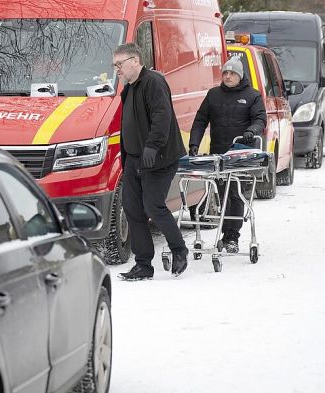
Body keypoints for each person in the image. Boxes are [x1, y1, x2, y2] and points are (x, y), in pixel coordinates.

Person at [113, 43, 189, 280]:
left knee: (154, 206)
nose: (117, 70)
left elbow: (161, 116)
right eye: (114, 65)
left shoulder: (153, 82)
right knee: (133, 209)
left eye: (120, 64)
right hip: (135, 159)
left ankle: (179, 250)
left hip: (159, 158)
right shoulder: (129, 89)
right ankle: (143, 264)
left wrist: (153, 146)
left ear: (134, 61)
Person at [188, 56, 266, 253]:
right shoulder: (213, 95)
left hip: (240, 154)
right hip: (218, 154)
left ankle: (232, 237)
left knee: (235, 193)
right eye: (225, 73)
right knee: (222, 194)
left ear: (240, 76)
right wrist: (194, 143)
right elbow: (200, 120)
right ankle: (225, 233)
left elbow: (260, 119)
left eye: (232, 73)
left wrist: (252, 131)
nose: (228, 76)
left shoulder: (252, 95)